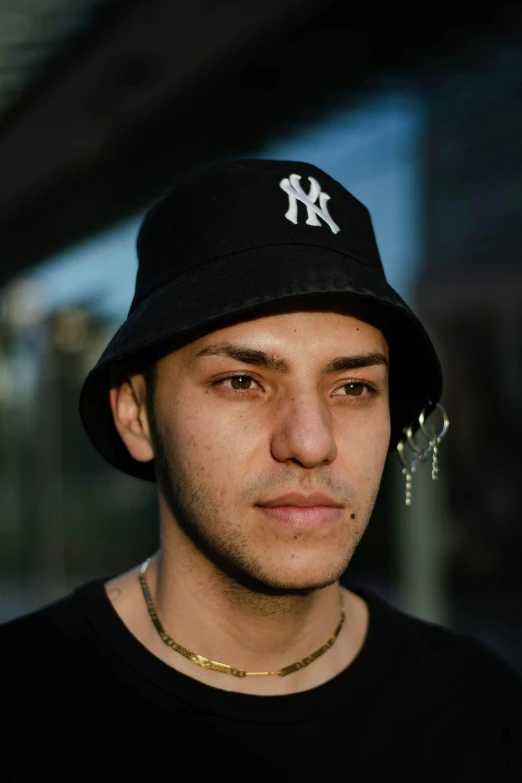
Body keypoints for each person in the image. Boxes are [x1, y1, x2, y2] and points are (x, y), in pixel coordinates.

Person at [1, 160, 521, 781]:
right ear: (136, 413)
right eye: (242, 381)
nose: (310, 441)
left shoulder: (479, 711)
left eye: (354, 387)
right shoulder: (20, 709)